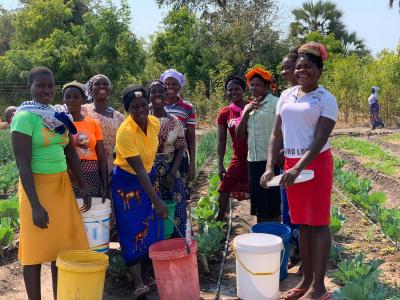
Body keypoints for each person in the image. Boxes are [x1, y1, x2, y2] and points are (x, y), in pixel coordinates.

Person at [261, 42, 339, 300]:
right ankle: (306, 281)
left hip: (314, 165)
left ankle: (319, 287)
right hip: (291, 167)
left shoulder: (326, 99)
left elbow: (319, 140)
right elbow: (276, 133)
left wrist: (298, 167)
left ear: (319, 70)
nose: (302, 70)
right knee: (302, 225)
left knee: (318, 225)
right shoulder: (287, 95)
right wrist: (270, 166)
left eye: (308, 66)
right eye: (299, 67)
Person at [11, 67, 90, 300]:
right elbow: (23, 164)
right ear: (30, 87)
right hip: (35, 188)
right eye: (41, 85)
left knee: (62, 251)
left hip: (61, 186)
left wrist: (82, 186)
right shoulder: (24, 117)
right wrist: (35, 205)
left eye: (50, 85)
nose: (46, 90)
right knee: (34, 252)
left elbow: (71, 153)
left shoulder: (57, 115)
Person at [111, 84, 168, 299]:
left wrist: (155, 196)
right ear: (128, 109)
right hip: (127, 182)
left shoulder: (154, 123)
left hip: (148, 177)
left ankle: (147, 273)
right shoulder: (125, 132)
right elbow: (137, 170)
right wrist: (157, 201)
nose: (141, 110)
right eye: (134, 107)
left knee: (151, 224)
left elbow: (150, 160)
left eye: (144, 105)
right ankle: (137, 281)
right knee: (130, 227)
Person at [236, 66, 281, 223]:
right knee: (259, 205)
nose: (254, 88)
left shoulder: (276, 103)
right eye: (252, 85)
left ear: (267, 87)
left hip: (270, 160)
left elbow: (284, 129)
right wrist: (246, 112)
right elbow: (240, 134)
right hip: (253, 161)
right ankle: (261, 235)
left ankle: (275, 236)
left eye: (258, 85)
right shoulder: (249, 107)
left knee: (273, 204)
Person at [149, 80, 189, 236]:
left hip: (171, 167)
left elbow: (180, 148)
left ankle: (177, 241)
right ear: (149, 95)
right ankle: (153, 245)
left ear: (166, 95)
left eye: (161, 91)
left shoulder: (175, 121)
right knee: (151, 207)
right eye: (154, 92)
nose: (158, 95)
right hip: (148, 170)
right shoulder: (142, 120)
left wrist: (172, 174)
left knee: (176, 205)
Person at [63, 81, 108, 199]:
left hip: (92, 173)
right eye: (68, 97)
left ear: (83, 100)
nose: (71, 100)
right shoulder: (59, 123)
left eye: (76, 97)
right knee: (72, 212)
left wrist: (105, 186)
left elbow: (102, 157)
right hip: (67, 173)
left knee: (92, 212)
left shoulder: (93, 123)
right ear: (63, 100)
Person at [280, 48, 302, 271]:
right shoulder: (286, 96)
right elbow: (280, 130)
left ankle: (304, 253)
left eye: (287, 67)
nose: (283, 71)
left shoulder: (314, 96)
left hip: (304, 162)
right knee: (288, 209)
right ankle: (294, 249)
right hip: (287, 160)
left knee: (304, 213)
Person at [216, 76, 249, 221]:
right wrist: (220, 164)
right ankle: (220, 220)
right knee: (224, 188)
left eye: (237, 89)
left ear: (243, 90)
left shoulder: (253, 107)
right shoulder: (225, 113)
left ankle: (262, 224)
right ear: (226, 92)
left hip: (257, 156)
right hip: (239, 158)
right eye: (230, 90)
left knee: (259, 189)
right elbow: (221, 140)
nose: (234, 92)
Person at [82, 74, 125, 176]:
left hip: (114, 166)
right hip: (89, 164)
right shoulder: (82, 111)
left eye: (105, 84)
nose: (102, 86)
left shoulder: (119, 117)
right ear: (90, 91)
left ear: (110, 90)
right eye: (97, 84)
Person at [160, 69, 196, 182]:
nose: (170, 86)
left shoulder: (187, 107)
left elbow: (190, 137)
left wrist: (192, 164)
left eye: (174, 84)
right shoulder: (153, 106)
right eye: (166, 83)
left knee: (179, 193)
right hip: (157, 156)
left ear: (180, 87)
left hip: (180, 155)